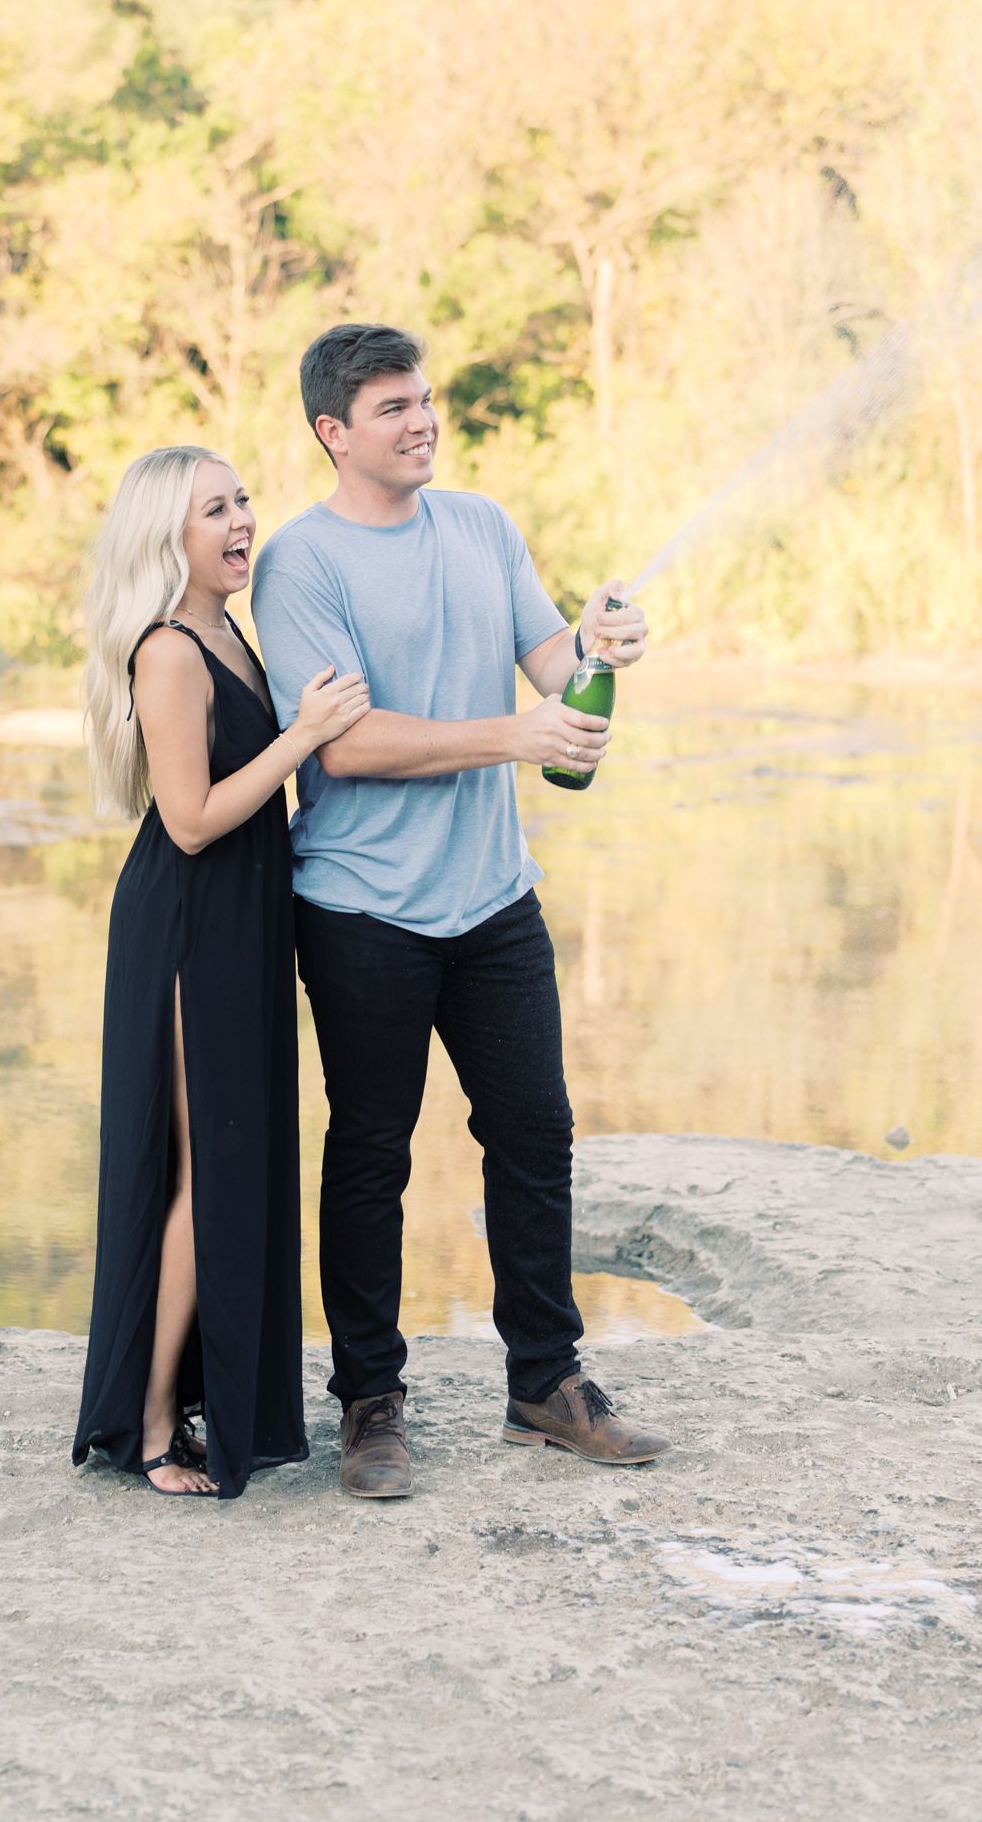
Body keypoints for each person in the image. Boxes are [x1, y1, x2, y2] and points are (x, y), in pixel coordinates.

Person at [251, 325, 672, 1498]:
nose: (421, 420)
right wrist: (514, 736)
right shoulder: (301, 565)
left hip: (492, 902)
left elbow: (553, 671)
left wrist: (599, 650)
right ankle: (370, 1405)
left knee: (534, 1136)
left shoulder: (482, 526)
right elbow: (350, 741)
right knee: (371, 1154)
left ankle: (545, 1383)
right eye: (392, 408)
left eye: (425, 400)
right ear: (334, 432)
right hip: (360, 910)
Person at [72, 445, 369, 1497]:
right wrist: (305, 737)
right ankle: (152, 1427)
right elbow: (191, 821)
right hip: (190, 928)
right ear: (169, 535)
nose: (243, 521)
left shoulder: (223, 632)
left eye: (243, 500)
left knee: (234, 1165)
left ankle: (186, 1399)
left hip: (241, 923)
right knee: (201, 1177)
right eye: (215, 509)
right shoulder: (169, 652)